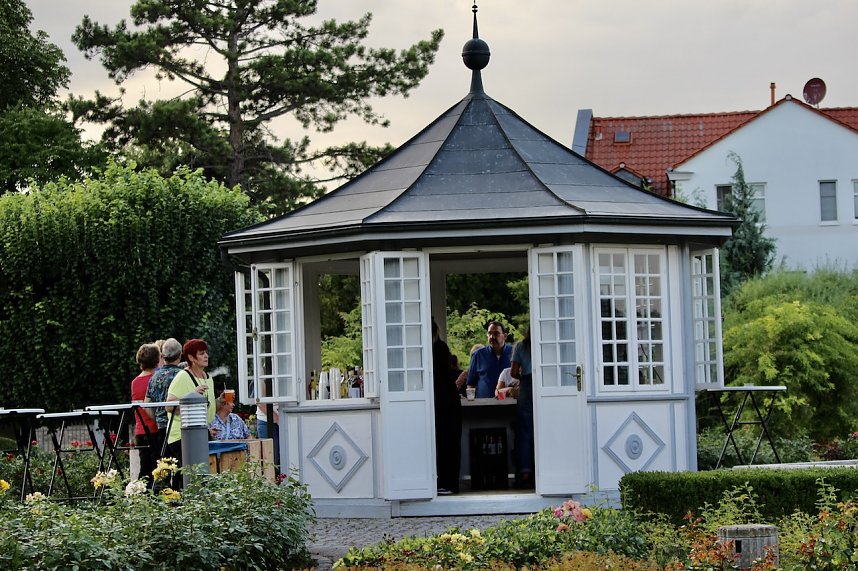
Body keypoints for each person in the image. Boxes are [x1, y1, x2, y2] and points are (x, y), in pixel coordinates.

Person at [165, 338, 216, 487]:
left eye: (206, 352)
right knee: (194, 477)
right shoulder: (182, 377)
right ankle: (184, 505)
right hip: (182, 434)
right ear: (191, 358)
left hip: (200, 431)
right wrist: (192, 394)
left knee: (204, 475)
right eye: (201, 353)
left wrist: (221, 402)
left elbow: (208, 406)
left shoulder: (208, 378)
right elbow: (169, 406)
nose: (206, 356)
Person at [432, 320, 461, 495]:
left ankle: (448, 483)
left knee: (447, 443)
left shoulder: (438, 348)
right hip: (447, 401)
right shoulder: (440, 347)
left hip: (446, 403)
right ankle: (448, 482)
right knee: (447, 443)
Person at [144, 337, 184, 456]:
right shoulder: (181, 375)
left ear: (163, 355)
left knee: (166, 465)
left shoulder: (154, 377)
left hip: (161, 428)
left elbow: (146, 404)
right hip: (178, 428)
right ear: (179, 355)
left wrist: (157, 418)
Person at [131, 343, 162, 484]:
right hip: (155, 429)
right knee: (159, 468)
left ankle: (141, 494)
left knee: (145, 468)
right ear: (157, 360)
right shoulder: (155, 379)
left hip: (140, 430)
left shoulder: (135, 382)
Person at [511, 328, 534, 489]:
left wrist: (523, 379)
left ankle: (525, 472)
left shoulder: (520, 346)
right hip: (543, 382)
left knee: (524, 430)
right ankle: (542, 469)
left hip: (526, 384)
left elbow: (513, 372)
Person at [466, 322, 512, 399]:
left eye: (496, 333)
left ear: (505, 336)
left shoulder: (514, 353)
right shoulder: (478, 355)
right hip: (484, 405)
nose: (492, 337)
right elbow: (471, 384)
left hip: (510, 404)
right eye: (489, 333)